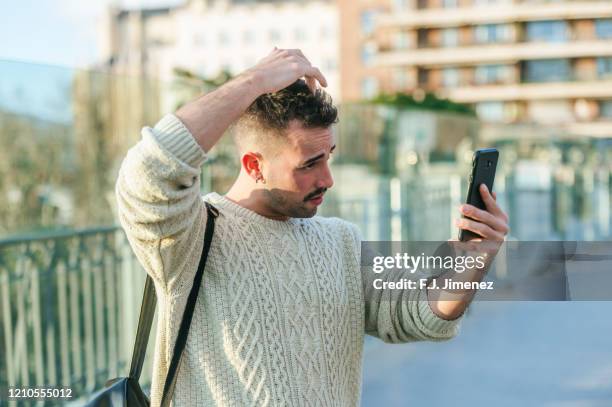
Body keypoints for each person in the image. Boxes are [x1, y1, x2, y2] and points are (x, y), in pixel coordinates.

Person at [116, 48, 509, 407]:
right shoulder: (191, 236)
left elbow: (415, 314)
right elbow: (151, 169)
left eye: (329, 157)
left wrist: (471, 262)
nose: (327, 179)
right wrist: (253, 81)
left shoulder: (340, 241)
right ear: (254, 166)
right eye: (308, 164)